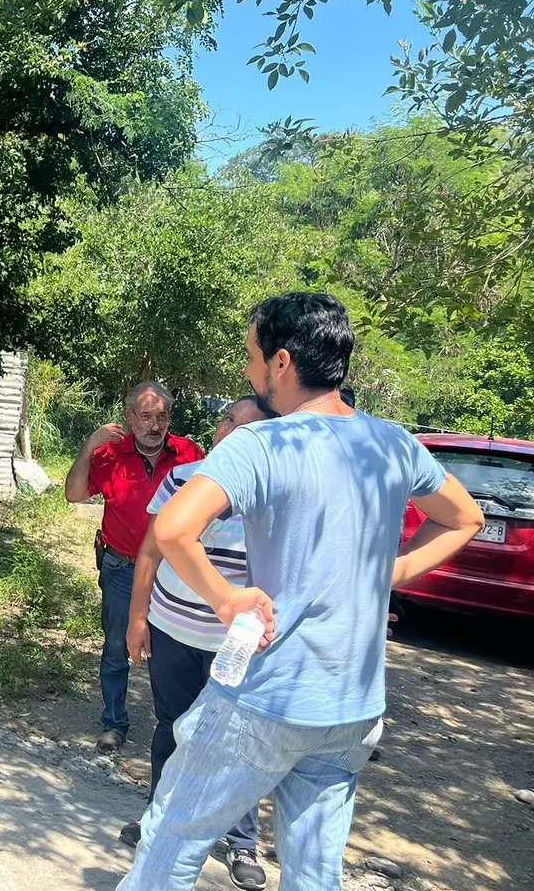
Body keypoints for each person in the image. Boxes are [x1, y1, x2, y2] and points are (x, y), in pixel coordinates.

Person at [118, 293, 484, 891]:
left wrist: (227, 598)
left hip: (267, 699)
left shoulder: (263, 443)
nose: (247, 370)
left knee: (171, 838)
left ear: (281, 362)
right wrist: (389, 573)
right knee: (314, 870)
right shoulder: (393, 442)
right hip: (352, 704)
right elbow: (464, 518)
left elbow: (172, 528)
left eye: (251, 356)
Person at [120, 396, 276, 891]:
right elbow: (149, 551)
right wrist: (137, 618)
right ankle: (158, 819)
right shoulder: (182, 478)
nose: (234, 431)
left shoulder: (274, 492)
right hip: (172, 629)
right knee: (173, 726)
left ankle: (242, 841)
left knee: (239, 738)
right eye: (229, 420)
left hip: (237, 641)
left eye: (249, 427)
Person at [64, 382, 204, 754]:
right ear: (129, 418)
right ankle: (114, 722)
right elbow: (74, 494)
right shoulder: (109, 455)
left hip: (174, 572)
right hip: (122, 567)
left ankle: (177, 724)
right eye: (145, 416)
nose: (154, 425)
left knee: (175, 647)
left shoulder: (189, 453)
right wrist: (89, 446)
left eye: (162, 416)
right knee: (116, 646)